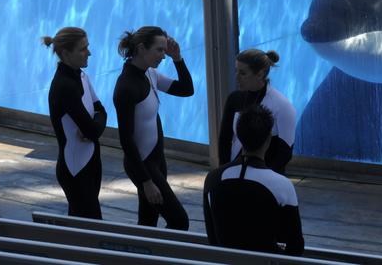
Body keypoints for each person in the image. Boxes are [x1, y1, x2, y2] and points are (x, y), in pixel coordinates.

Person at [113, 26, 193, 230]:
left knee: (147, 222)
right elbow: (126, 139)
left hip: (157, 161)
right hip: (143, 165)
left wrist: (178, 58)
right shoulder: (126, 87)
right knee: (179, 220)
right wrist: (146, 181)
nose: (163, 56)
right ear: (141, 48)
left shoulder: (150, 74)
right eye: (160, 50)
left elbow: (186, 90)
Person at [204, 105, 304, 255]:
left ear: (238, 135)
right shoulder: (282, 185)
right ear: (269, 139)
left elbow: (212, 236)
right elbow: (295, 245)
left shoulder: (213, 178)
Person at [43, 27, 107, 219]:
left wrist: (95, 125)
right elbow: (94, 130)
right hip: (75, 170)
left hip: (91, 162)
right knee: (92, 231)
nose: (89, 53)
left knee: (83, 230)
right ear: (65, 53)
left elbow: (100, 111)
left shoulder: (81, 75)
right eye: (83, 49)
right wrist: (94, 126)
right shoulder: (65, 86)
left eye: (87, 47)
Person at [218, 49, 296, 174]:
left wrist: (261, 178)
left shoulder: (283, 106)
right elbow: (224, 140)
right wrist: (223, 172)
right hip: (235, 174)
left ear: (260, 74)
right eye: (236, 71)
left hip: (268, 178)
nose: (236, 77)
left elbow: (284, 153)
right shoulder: (234, 99)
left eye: (242, 73)